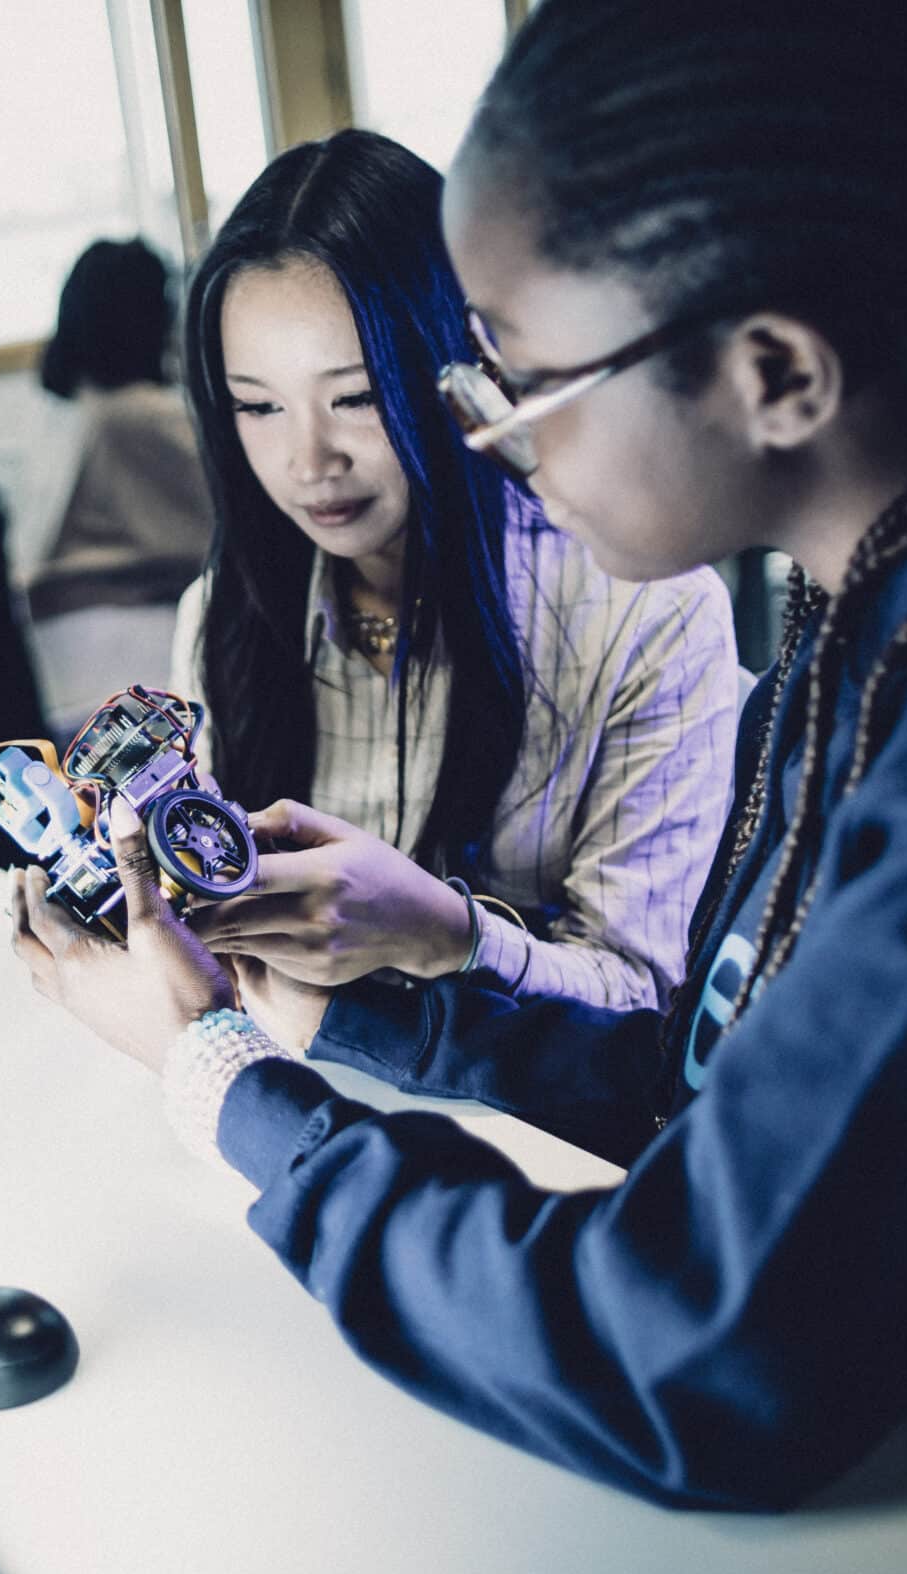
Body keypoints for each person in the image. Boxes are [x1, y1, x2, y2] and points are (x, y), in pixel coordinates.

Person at [11, 0, 907, 1527]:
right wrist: (361, 1016)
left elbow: (691, 1349)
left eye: (517, 379)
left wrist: (227, 1080)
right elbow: (725, 1092)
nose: (484, 440)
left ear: (777, 372)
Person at [170, 131, 737, 1011]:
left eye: (355, 397)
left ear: (461, 364)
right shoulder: (222, 615)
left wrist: (444, 935)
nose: (308, 459)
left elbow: (645, 997)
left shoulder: (644, 611)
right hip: (298, 1109)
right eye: (259, 406)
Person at [13, 240, 215, 736]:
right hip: (123, 648)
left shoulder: (69, 405)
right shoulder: (138, 416)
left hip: (62, 649)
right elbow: (238, 516)